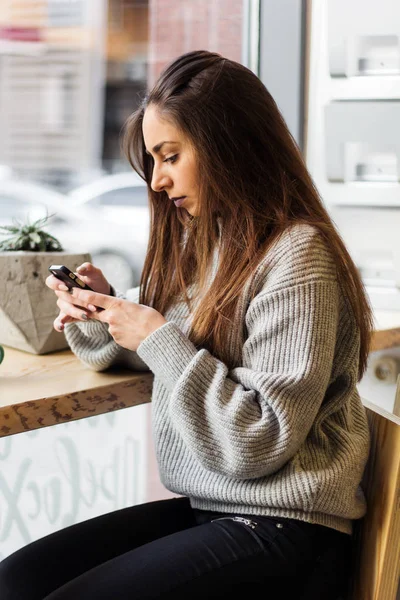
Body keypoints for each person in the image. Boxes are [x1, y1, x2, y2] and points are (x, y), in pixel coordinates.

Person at [0, 50, 373, 600]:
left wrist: (154, 335)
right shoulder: (220, 251)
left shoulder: (300, 256)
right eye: (152, 160)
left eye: (169, 156)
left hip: (289, 528)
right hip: (216, 508)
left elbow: (258, 439)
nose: (156, 180)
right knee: (17, 580)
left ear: (230, 146)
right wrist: (105, 309)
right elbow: (170, 345)